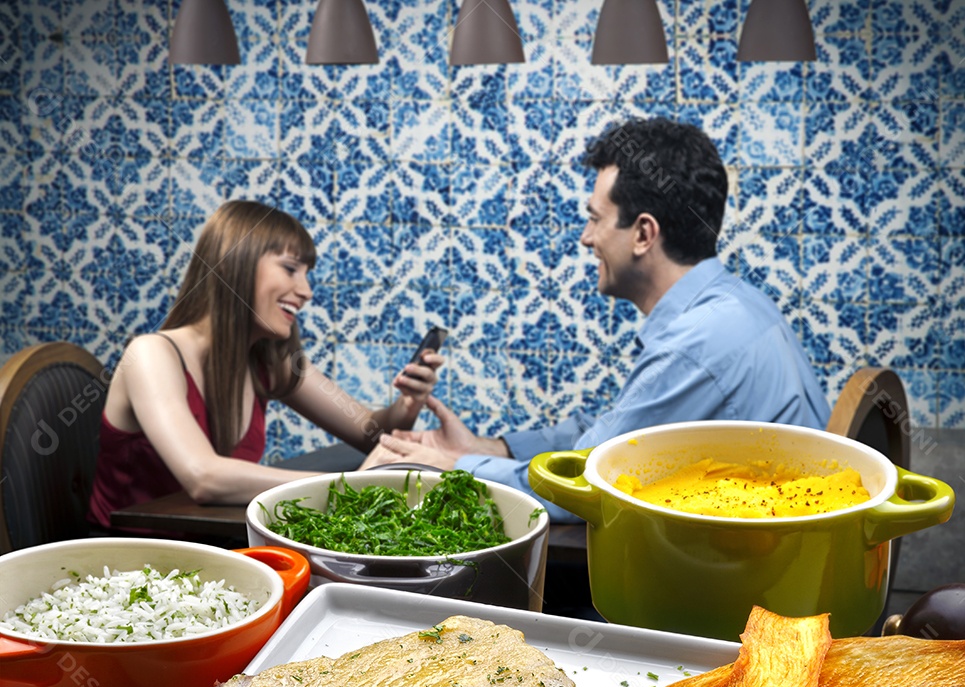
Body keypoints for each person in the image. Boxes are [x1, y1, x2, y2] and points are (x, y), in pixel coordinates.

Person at [363, 117, 831, 520]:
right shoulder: (736, 306)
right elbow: (620, 431)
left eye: (595, 219)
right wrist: (489, 449)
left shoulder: (698, 346)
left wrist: (448, 468)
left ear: (644, 233)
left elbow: (583, 489)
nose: (587, 239)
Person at [88, 200, 441, 530]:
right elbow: (203, 478)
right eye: (290, 269)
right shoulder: (152, 354)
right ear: (232, 264)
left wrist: (407, 405)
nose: (306, 291)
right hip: (126, 565)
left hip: (213, 550)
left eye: (306, 274)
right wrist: (347, 486)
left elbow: (370, 433)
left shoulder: (269, 362)